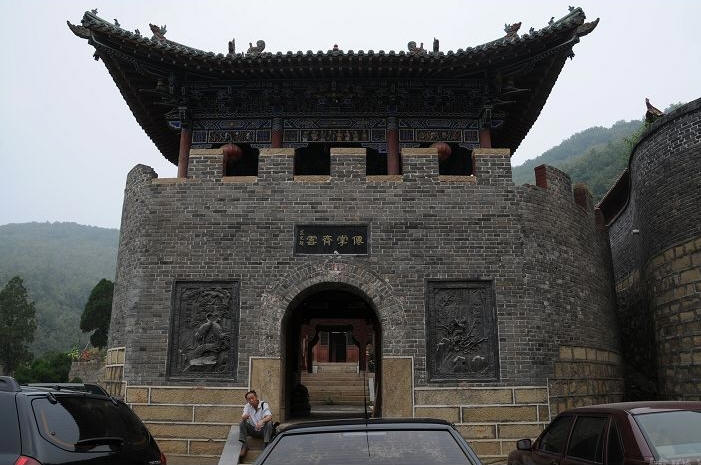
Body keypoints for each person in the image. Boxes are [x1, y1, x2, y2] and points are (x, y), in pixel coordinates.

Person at [239, 389, 273, 458]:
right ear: (247, 400)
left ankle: (266, 443)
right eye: (249, 399)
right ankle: (244, 445)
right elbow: (243, 416)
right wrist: (244, 417)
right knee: (242, 422)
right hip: (253, 430)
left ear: (256, 397)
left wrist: (262, 421)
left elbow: (269, 416)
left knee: (269, 423)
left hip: (263, 431)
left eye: (252, 398)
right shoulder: (247, 406)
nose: (251, 400)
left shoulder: (264, 404)